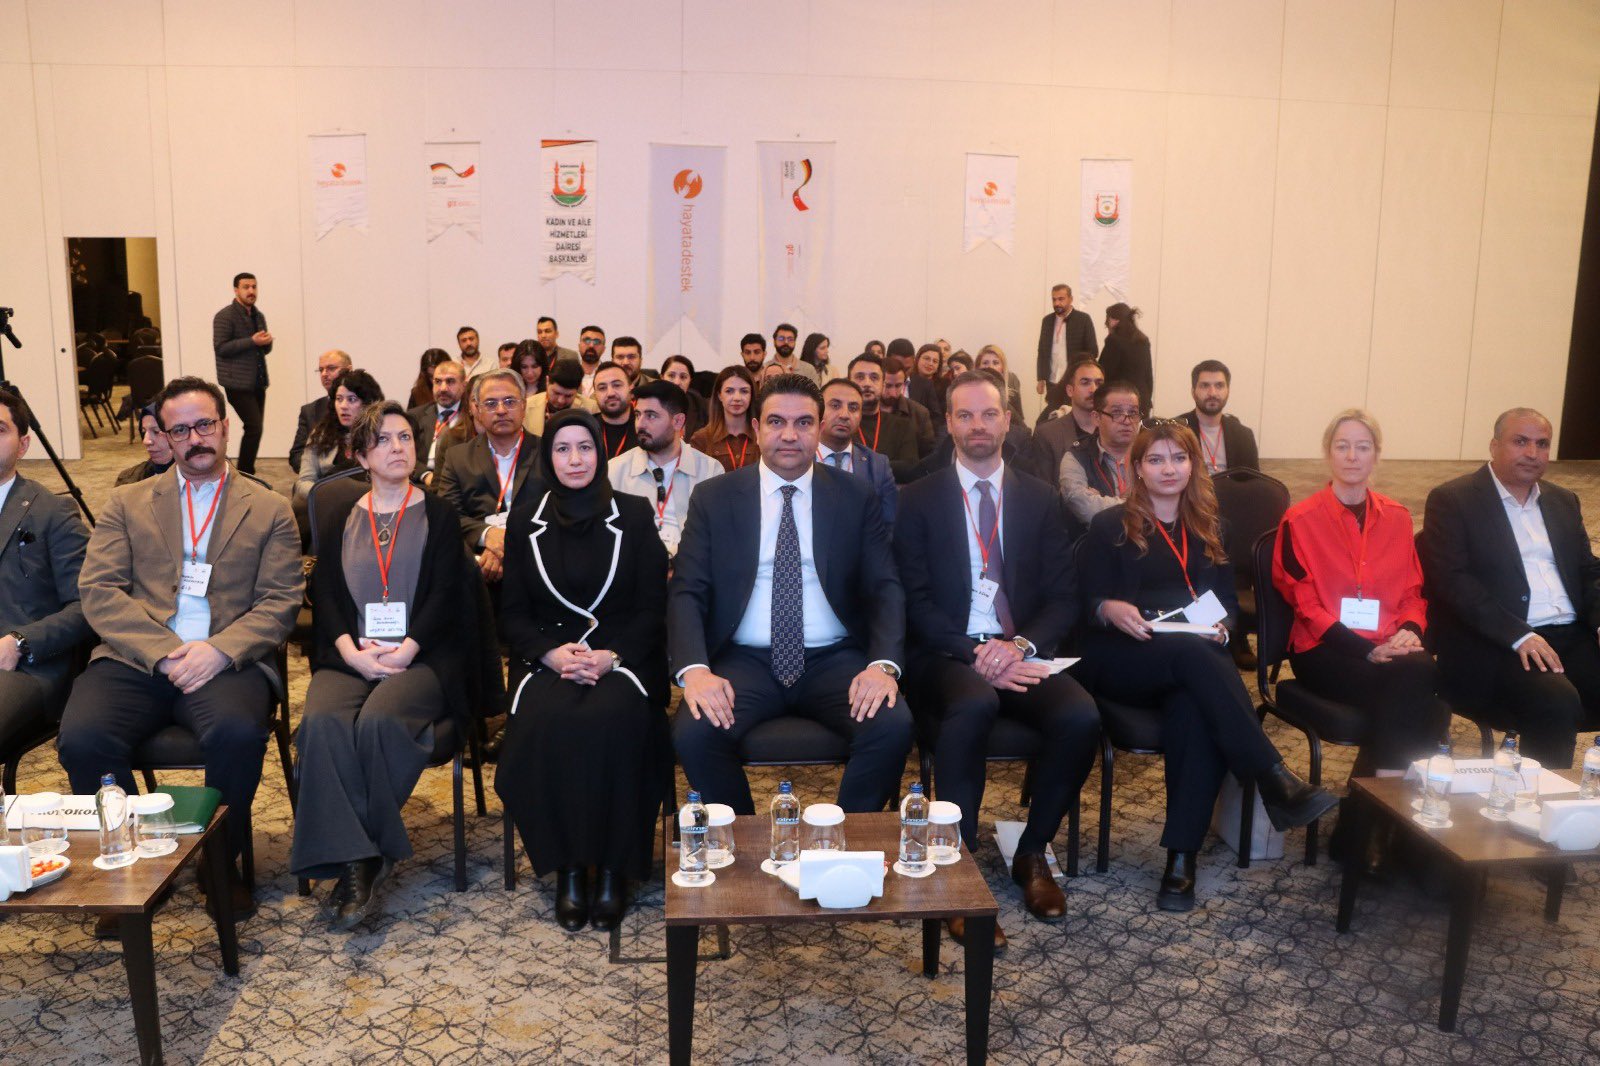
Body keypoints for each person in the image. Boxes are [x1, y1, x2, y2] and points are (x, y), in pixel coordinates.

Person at [59, 376, 303, 914]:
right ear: (165, 438)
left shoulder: (269, 508)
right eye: (180, 430)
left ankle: (219, 863)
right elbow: (98, 590)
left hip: (226, 661)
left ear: (225, 426)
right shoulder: (126, 502)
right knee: (82, 738)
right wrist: (165, 651)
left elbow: (281, 600)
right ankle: (136, 868)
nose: (195, 439)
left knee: (238, 734)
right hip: (136, 657)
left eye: (204, 425)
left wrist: (218, 650)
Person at [1075, 421, 1337, 911]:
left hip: (1189, 662)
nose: (1168, 469)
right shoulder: (1110, 526)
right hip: (1122, 655)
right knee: (1197, 658)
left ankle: (1181, 860)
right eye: (1156, 459)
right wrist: (1108, 608)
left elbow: (1226, 604)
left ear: (1193, 465)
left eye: (1178, 458)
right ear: (1137, 467)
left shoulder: (1212, 526)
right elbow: (1082, 601)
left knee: (1195, 709)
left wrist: (1222, 628)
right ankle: (1271, 774)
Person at [895, 373, 1099, 946]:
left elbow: (1063, 597)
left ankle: (1032, 852)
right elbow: (913, 599)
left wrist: (1020, 646)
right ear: (948, 423)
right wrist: (974, 651)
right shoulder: (917, 498)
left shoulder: (1039, 497)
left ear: (1008, 420)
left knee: (1080, 716)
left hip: (1019, 649)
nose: (978, 425)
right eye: (965, 415)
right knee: (973, 705)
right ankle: (956, 867)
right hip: (947, 653)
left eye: (989, 414)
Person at [670, 374, 913, 816]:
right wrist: (696, 671)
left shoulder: (855, 496)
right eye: (776, 421)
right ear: (756, 426)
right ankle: (743, 838)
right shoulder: (714, 497)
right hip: (743, 659)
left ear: (819, 428)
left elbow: (885, 587)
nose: (789, 435)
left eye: (803, 423)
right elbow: (687, 591)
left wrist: (882, 665)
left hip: (835, 658)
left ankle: (842, 839)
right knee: (695, 731)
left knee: (891, 725)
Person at [293, 402, 470, 928]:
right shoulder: (341, 516)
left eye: (405, 438)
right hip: (353, 653)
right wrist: (350, 651)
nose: (398, 448)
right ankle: (364, 855)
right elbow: (325, 594)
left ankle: (359, 857)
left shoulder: (439, 514)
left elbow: (447, 596)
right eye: (384, 440)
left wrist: (408, 647)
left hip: (423, 656)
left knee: (378, 721)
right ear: (361, 455)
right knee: (320, 721)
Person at [498, 410, 671, 931]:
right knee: (547, 723)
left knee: (613, 719)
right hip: (548, 660)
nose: (575, 459)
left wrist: (611, 656)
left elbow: (652, 608)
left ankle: (615, 869)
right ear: (548, 458)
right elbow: (512, 613)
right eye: (562, 448)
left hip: (621, 659)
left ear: (600, 453)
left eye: (585, 447)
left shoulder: (633, 514)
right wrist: (550, 654)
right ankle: (569, 868)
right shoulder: (524, 520)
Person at [1273, 410, 1449, 865]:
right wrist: (1366, 650)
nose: (1352, 456)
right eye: (1343, 446)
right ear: (1328, 453)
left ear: (1376, 456)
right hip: (1324, 651)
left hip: (1389, 647)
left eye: (1363, 447)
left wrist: (1409, 630)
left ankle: (1363, 827)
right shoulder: (1299, 520)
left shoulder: (1396, 517)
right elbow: (1306, 605)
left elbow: (1412, 592)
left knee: (1419, 690)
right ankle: (1386, 827)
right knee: (1425, 700)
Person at [1420, 408, 1600, 769]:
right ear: (1494, 445)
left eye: (1542, 444)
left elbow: (1588, 570)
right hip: (1497, 643)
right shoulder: (1454, 500)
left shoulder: (1563, 500)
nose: (1532, 453)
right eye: (1520, 442)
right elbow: (1452, 581)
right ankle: (1536, 799)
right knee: (1557, 702)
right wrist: (1519, 635)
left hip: (1570, 634)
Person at [0, 388, 92, 763]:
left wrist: (20, 642)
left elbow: (86, 607)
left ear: (23, 444)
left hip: (22, 666)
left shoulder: (54, 513)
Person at [437, 369, 540, 585]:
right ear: (477, 409)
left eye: (510, 401)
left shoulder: (549, 451)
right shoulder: (458, 458)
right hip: (480, 570)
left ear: (524, 405)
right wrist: (487, 534)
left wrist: (505, 544)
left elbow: (559, 509)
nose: (501, 410)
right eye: (491, 404)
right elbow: (448, 516)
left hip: (539, 562)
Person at [607, 379, 723, 556]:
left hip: (690, 564)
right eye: (638, 415)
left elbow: (716, 537)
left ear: (678, 421)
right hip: (634, 564)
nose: (640, 424)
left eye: (651, 416)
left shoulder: (710, 471)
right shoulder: (615, 470)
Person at [1059, 381, 1141, 532]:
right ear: (1096, 418)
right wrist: (1140, 506)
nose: (1127, 421)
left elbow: (1167, 505)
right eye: (1117, 413)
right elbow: (1086, 510)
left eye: (1133, 413)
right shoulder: (1077, 457)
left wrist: (1102, 502)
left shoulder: (1150, 454)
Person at [295, 369, 384, 507]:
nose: (343, 406)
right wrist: (328, 496)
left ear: (368, 403)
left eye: (352, 399)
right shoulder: (321, 434)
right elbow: (304, 481)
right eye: (339, 399)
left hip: (374, 504)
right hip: (328, 504)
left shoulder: (383, 433)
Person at [212, 272, 272, 474]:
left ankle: (245, 472)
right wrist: (252, 341)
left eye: (254, 287)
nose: (251, 291)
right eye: (246, 287)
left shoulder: (258, 316)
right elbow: (221, 348)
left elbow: (263, 350)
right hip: (236, 383)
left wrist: (266, 342)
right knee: (254, 427)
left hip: (258, 382)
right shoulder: (225, 316)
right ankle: (246, 472)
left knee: (255, 428)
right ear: (236, 290)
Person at [817, 379, 898, 526]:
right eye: (835, 405)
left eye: (853, 408)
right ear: (818, 410)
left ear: (861, 416)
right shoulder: (797, 458)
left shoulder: (878, 465)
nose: (844, 415)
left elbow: (889, 524)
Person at [1023, 358, 1102, 484]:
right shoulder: (1048, 435)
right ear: (1070, 390)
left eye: (1099, 383)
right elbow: (1042, 489)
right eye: (1085, 383)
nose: (1093, 389)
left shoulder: (1114, 431)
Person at [1174, 360, 1258, 474]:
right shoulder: (1176, 430)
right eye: (1205, 386)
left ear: (1228, 391)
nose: (1212, 393)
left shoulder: (1243, 435)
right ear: (1193, 392)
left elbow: (1253, 481)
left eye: (1219, 386)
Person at [848, 354, 919, 476]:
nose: (867, 383)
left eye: (874, 377)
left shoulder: (903, 426)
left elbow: (910, 468)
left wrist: (864, 465)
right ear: (849, 382)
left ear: (882, 384)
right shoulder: (840, 424)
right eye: (860, 377)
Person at [689, 366, 760, 473]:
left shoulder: (763, 437)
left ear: (751, 395)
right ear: (719, 395)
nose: (737, 398)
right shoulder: (701, 439)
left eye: (744, 391)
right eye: (729, 391)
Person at [408, 359, 467, 487]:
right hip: (421, 483)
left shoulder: (471, 417)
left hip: (459, 484)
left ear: (464, 385)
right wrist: (425, 475)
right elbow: (405, 452)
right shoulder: (415, 416)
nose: (443, 388)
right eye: (438, 382)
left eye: (450, 381)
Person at [291, 350, 353, 472]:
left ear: (349, 370)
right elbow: (296, 455)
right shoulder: (309, 411)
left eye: (331, 368)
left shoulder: (367, 407)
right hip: (320, 479)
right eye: (321, 370)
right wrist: (318, 470)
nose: (324, 374)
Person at [1035, 283, 1097, 398]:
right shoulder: (1047, 321)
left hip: (1074, 380)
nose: (1057, 303)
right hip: (1052, 380)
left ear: (1071, 299)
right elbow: (1042, 351)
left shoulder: (1083, 319)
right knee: (1053, 409)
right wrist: (1041, 378)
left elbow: (1093, 351)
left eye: (1061, 299)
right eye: (1054, 299)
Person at [1100, 303, 1154, 415]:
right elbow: (1148, 375)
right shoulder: (1143, 340)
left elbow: (1104, 372)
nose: (1107, 325)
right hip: (1142, 400)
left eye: (1108, 320)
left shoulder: (1114, 340)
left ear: (1114, 320)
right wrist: (1147, 399)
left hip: (1120, 401)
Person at [524, 358, 597, 435]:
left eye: (568, 396)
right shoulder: (527, 406)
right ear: (547, 381)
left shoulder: (592, 409)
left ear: (578, 389)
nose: (561, 400)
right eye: (556, 393)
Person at [881, 356, 936, 457]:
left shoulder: (919, 414)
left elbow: (929, 455)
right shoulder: (864, 411)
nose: (893, 393)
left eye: (898, 386)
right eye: (888, 386)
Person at [117, 405, 175, 486]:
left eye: (156, 431)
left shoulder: (191, 484)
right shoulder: (128, 480)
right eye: (144, 432)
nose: (146, 441)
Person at [593, 362, 638, 458]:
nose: (610, 393)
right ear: (595, 394)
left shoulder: (646, 427)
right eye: (602, 388)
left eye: (617, 385)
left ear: (631, 388)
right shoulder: (586, 429)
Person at [975, 345, 1026, 424]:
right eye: (985, 363)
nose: (990, 367)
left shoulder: (1013, 395)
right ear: (978, 368)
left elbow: (1021, 426)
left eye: (995, 363)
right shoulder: (970, 395)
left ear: (1002, 368)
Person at [661, 354, 707, 440]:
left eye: (683, 377)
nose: (677, 382)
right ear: (662, 378)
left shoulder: (700, 404)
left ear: (690, 381)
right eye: (671, 376)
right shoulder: (650, 405)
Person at [909, 343, 947, 423]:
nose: (930, 363)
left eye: (935, 361)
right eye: (926, 358)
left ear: (938, 366)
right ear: (917, 359)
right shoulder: (907, 381)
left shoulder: (945, 385)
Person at [576, 325, 606, 397]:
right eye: (587, 340)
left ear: (603, 349)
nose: (591, 345)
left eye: (597, 342)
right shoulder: (568, 372)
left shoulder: (609, 375)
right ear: (579, 346)